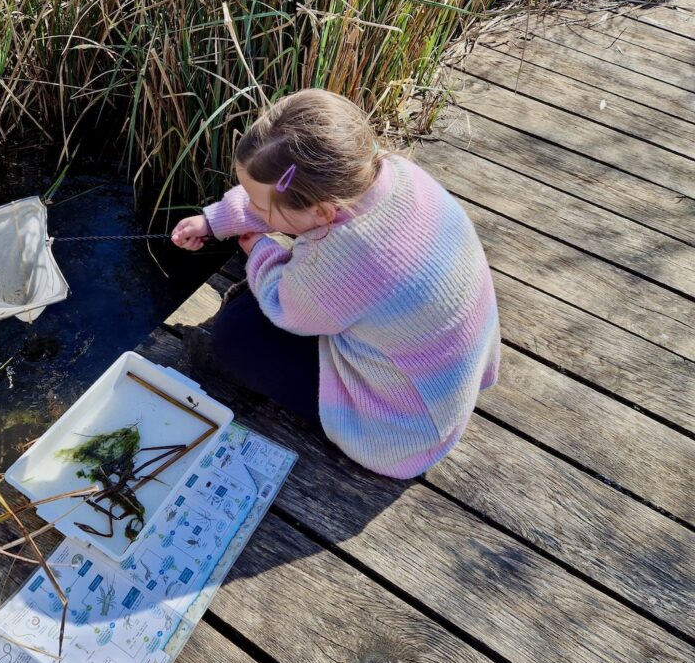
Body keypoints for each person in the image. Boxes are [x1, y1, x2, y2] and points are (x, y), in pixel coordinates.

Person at [171, 89, 500, 479]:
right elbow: (282, 204)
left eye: (257, 207)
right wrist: (216, 221)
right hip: (449, 371)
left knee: (238, 334)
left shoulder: (348, 258)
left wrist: (258, 249)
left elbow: (283, 305)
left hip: (405, 425)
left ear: (322, 211)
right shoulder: (392, 174)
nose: (252, 209)